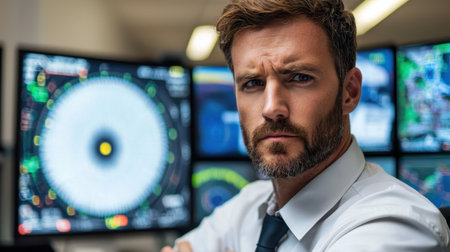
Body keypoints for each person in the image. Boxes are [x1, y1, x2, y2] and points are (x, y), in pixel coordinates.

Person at [162, 0, 450, 251]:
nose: (272, 107)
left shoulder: (395, 226)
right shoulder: (251, 206)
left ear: (349, 92)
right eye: (252, 83)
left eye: (299, 77)